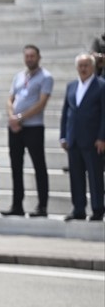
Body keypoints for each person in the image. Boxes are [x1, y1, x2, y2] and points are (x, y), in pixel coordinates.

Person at [3, 45, 53, 217]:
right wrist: (12, 116)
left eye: (33, 56)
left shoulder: (46, 77)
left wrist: (20, 117)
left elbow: (41, 103)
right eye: (27, 56)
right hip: (15, 127)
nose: (30, 58)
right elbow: (10, 99)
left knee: (39, 165)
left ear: (39, 57)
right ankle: (17, 205)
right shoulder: (19, 76)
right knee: (16, 167)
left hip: (33, 127)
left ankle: (42, 206)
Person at [59, 53, 105, 221]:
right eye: (81, 66)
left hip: (93, 140)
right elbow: (66, 112)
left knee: (95, 175)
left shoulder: (101, 86)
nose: (83, 69)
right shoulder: (71, 86)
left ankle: (98, 208)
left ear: (92, 67)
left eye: (86, 65)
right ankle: (78, 209)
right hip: (74, 139)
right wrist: (63, 135)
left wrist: (102, 137)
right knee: (76, 176)